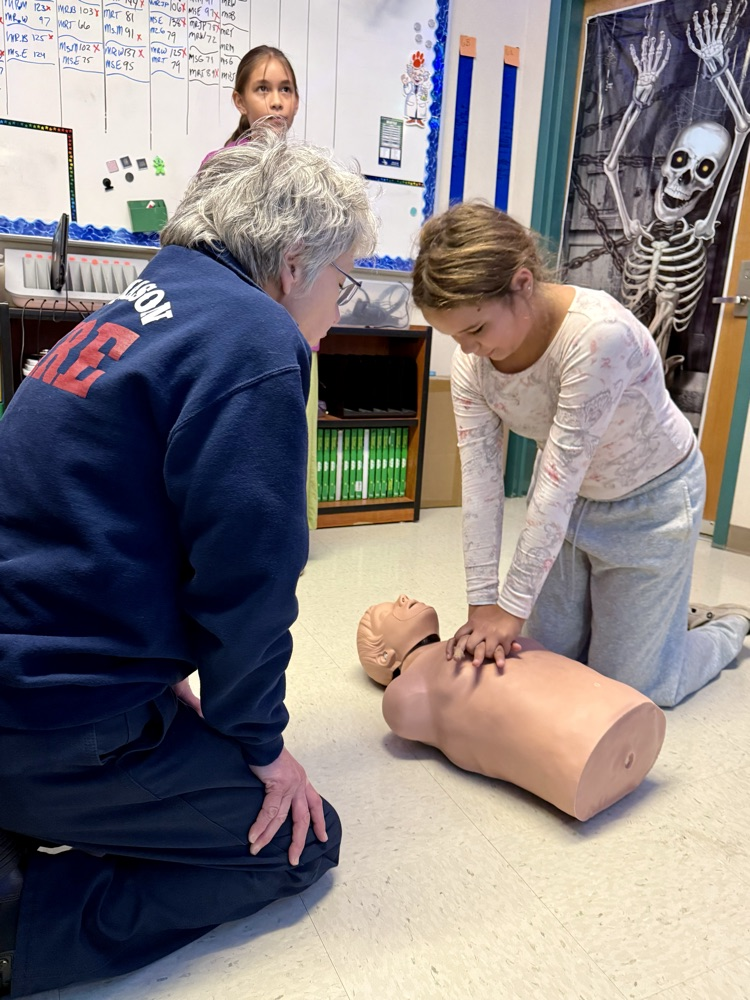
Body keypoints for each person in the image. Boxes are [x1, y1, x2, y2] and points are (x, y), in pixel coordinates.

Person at [0, 130, 378, 997]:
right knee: (297, 845)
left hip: (28, 673)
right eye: (342, 281)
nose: (337, 305)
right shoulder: (252, 338)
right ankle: (23, 925)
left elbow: (88, 520)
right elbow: (247, 583)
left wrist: (155, 661)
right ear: (294, 266)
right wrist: (262, 745)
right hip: (54, 716)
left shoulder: (136, 306)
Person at [411, 201, 750, 709]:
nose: (468, 349)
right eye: (454, 336)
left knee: (636, 690)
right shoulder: (472, 364)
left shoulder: (597, 337)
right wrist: (485, 603)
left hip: (649, 505)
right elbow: (481, 489)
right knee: (551, 664)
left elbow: (556, 480)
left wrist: (512, 607)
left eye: (476, 330)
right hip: (569, 518)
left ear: (523, 283)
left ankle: (726, 625)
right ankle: (652, 617)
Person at [357, 595, 666, 821]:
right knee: (546, 717)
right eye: (386, 614)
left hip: (561, 688)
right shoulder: (407, 690)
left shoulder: (465, 639)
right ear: (385, 658)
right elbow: (404, 712)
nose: (402, 598)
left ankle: (612, 711)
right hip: (551, 732)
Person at [201, 45, 324, 533]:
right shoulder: (222, 164)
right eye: (263, 89)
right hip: (238, 323)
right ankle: (238, 533)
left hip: (295, 324)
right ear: (239, 101)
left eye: (285, 90)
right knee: (242, 434)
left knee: (292, 434)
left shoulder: (304, 170)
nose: (276, 102)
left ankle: (290, 533)